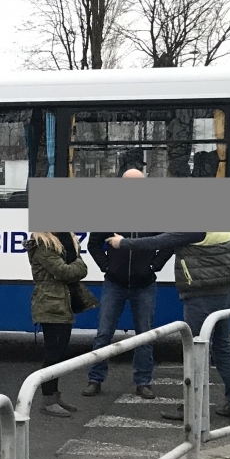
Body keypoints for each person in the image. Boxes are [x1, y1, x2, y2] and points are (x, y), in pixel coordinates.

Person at [109, 230, 230, 421]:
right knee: (223, 347)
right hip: (228, 290)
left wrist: (124, 243)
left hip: (202, 292)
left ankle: (190, 409)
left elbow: (160, 241)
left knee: (195, 351)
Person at [84, 169, 169, 399]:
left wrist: (155, 266)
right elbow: (93, 244)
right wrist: (106, 267)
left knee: (145, 335)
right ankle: (95, 379)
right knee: (103, 334)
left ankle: (143, 382)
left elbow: (169, 242)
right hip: (115, 283)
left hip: (145, 284)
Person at [27, 230, 94, 417]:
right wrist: (80, 263)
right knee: (53, 354)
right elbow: (64, 271)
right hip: (50, 304)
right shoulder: (42, 244)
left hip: (62, 304)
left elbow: (73, 271)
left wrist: (76, 266)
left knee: (60, 353)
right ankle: (47, 401)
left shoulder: (65, 240)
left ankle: (55, 397)